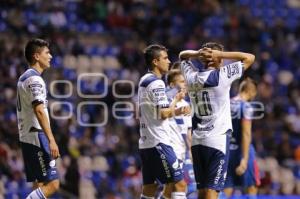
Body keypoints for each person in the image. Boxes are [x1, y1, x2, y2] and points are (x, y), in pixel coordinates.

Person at [179, 42, 255, 199]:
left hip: (197, 141)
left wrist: (197, 54)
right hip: (217, 141)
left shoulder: (191, 77)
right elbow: (249, 58)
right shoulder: (222, 76)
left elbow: (182, 56)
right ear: (218, 59)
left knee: (201, 191)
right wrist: (220, 54)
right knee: (212, 191)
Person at [138, 44, 190, 199]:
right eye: (165, 58)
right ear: (155, 61)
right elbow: (163, 113)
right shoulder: (156, 83)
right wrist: (176, 99)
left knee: (149, 188)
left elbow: (154, 112)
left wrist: (177, 111)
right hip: (159, 142)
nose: (169, 61)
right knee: (179, 184)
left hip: (147, 143)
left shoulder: (144, 80)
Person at [16, 38, 60, 198]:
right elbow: (39, 110)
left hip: (28, 135)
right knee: (53, 184)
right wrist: (51, 139)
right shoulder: (35, 79)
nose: (51, 56)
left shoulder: (25, 77)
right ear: (36, 56)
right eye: (47, 53)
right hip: (36, 135)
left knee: (40, 185)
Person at [160, 69, 196, 198]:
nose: (185, 85)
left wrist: (190, 152)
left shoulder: (186, 104)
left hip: (181, 151)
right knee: (181, 185)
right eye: (181, 82)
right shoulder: (164, 101)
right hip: (168, 149)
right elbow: (161, 117)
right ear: (171, 85)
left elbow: (188, 131)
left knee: (170, 189)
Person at [224, 78, 261, 197]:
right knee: (252, 187)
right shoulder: (246, 107)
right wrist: (244, 159)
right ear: (252, 92)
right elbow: (246, 133)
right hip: (243, 151)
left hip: (227, 151)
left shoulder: (226, 104)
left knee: (227, 188)